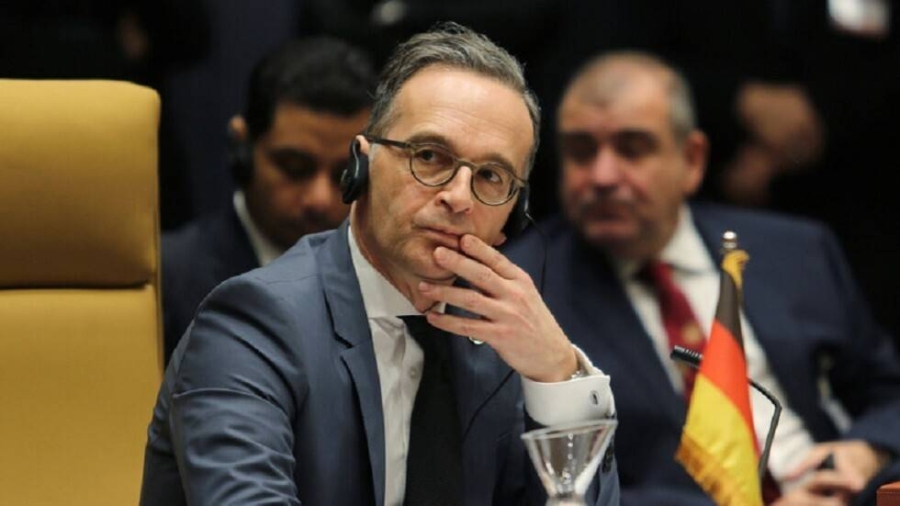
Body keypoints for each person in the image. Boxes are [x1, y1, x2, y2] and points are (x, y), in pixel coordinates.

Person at [140, 23, 620, 506]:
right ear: (361, 167)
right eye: (429, 156)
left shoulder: (502, 346)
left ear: (510, 217)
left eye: (491, 176)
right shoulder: (255, 323)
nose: (459, 197)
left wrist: (558, 376)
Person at [505, 52, 900, 505]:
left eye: (632, 148)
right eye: (581, 151)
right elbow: (538, 480)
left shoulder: (795, 250)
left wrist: (867, 450)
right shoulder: (525, 290)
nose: (603, 176)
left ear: (692, 160)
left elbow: (888, 392)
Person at [160, 37, 375, 362]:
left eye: (344, 174)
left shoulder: (391, 287)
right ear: (241, 148)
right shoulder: (166, 280)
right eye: (294, 167)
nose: (320, 199)